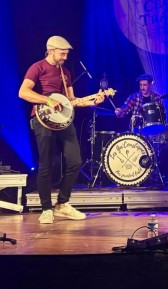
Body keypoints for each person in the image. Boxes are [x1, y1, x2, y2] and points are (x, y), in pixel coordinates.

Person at [19, 35, 105, 224]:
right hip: (43, 120)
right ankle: (46, 209)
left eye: (66, 54)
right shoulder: (37, 67)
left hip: (63, 121)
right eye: (62, 53)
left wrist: (92, 101)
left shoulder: (65, 72)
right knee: (46, 164)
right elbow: (23, 92)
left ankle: (62, 204)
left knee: (75, 161)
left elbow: (71, 101)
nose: (65, 57)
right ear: (51, 50)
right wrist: (48, 100)